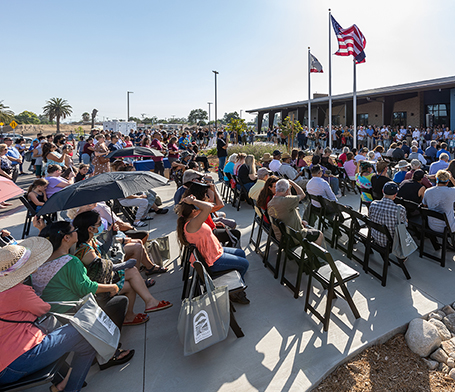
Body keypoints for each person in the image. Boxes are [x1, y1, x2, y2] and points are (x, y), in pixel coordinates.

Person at [0, 238, 97, 391]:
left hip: (6, 364)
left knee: (84, 342)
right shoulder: (18, 292)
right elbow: (43, 309)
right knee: (85, 329)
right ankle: (69, 387)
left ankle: (65, 385)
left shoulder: (6, 292)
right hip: (16, 362)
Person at [73, 211, 173, 319]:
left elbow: (105, 252)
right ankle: (144, 306)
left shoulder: (91, 240)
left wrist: (111, 233)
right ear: (90, 229)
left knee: (133, 272)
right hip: (99, 287)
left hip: (104, 278)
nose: (101, 225)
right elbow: (103, 270)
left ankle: (143, 307)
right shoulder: (86, 251)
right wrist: (124, 265)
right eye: (99, 223)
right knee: (132, 275)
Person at [175, 195, 250, 304]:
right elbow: (208, 207)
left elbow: (208, 206)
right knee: (244, 264)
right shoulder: (192, 224)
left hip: (214, 252)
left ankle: (235, 282)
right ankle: (235, 292)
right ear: (193, 211)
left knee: (241, 253)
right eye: (197, 208)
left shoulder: (193, 221)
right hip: (212, 260)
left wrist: (194, 201)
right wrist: (194, 200)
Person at [267, 179, 323, 245]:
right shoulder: (287, 201)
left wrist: (300, 222)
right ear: (287, 190)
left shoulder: (270, 203)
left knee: (306, 226)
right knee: (319, 234)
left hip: (281, 236)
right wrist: (293, 183)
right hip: (293, 238)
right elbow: (302, 194)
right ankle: (312, 254)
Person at [369, 182, 407, 249]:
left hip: (375, 236)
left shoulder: (373, 204)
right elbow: (404, 226)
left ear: (382, 191)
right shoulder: (400, 209)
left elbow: (370, 217)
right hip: (390, 241)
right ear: (395, 195)